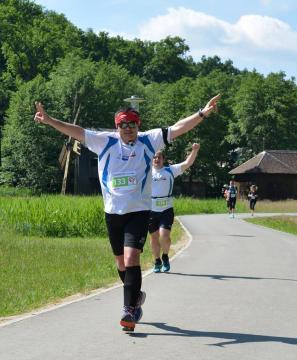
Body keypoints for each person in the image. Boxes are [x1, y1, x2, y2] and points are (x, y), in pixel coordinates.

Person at [33, 94, 220, 332]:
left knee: (132, 258)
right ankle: (136, 296)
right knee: (121, 264)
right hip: (113, 213)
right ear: (117, 126)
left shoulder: (149, 141)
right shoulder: (105, 142)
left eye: (132, 124)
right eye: (123, 124)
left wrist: (202, 113)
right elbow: (76, 131)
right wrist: (49, 120)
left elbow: (178, 128)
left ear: (138, 125)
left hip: (139, 211)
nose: (128, 129)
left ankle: (129, 310)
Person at [149, 143, 200, 273]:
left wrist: (194, 150)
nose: (156, 159)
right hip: (150, 210)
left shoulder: (170, 170)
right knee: (154, 238)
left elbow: (187, 163)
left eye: (159, 157)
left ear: (163, 159)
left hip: (166, 209)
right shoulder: (146, 171)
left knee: (164, 235)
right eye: (154, 157)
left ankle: (165, 256)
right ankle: (157, 261)